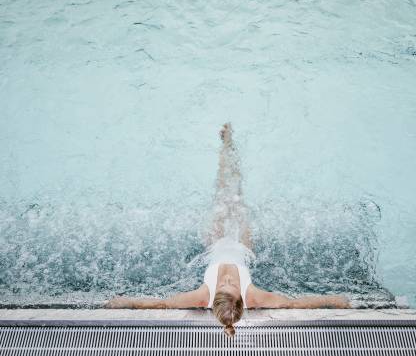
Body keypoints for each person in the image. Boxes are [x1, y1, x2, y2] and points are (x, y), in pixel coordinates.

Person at [105, 123, 350, 337]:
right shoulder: (252, 295)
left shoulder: (203, 295)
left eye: (225, 285)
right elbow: (293, 304)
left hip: (215, 244)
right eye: (230, 285)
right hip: (242, 245)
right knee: (236, 196)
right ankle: (229, 144)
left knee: (223, 193)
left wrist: (125, 302)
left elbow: (162, 304)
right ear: (242, 299)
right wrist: (333, 301)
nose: (228, 279)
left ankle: (226, 146)